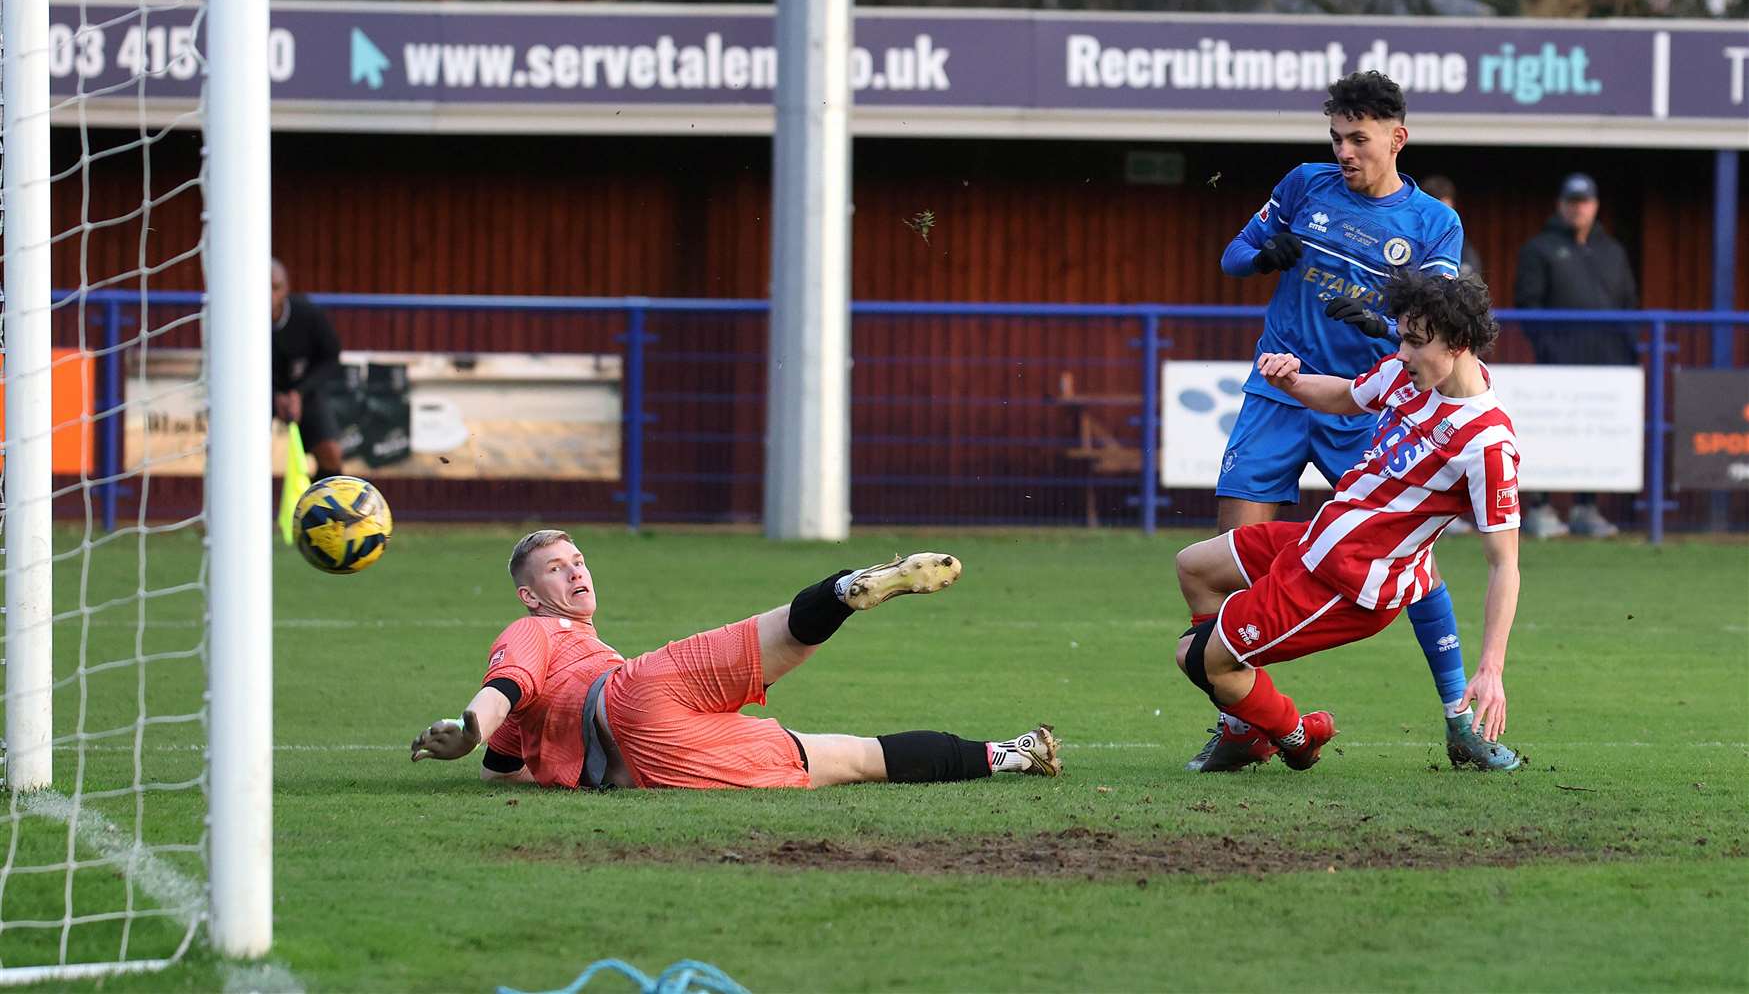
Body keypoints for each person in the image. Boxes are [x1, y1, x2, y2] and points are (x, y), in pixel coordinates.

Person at [1200, 70, 1518, 772]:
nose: (1344, 151)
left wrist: (1373, 321)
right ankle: (1244, 720)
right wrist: (1265, 255)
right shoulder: (1302, 185)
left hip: (1363, 401)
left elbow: (1429, 323)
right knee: (1231, 553)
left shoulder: (1433, 221)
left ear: (1395, 138)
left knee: (1411, 563)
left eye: (1358, 139)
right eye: (1336, 137)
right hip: (1280, 391)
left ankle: (1458, 722)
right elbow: (1231, 257)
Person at [1173, 273, 1521, 772]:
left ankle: (1297, 732)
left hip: (1347, 582)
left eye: (1415, 342)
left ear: (1459, 345)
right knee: (1194, 567)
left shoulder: (1487, 443)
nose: (1401, 352)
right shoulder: (1409, 375)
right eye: (1402, 336)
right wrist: (1290, 381)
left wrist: (1492, 668)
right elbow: (1346, 395)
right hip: (1317, 541)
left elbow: (1504, 564)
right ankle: (1244, 727)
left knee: (1196, 658)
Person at [409, 532, 1061, 789]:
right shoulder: (535, 629)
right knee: (783, 632)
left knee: (855, 759)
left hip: (647, 762)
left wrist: (478, 742)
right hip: (628, 693)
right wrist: (469, 728)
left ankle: (1015, 753)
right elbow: (501, 686)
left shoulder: (557, 656)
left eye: (578, 560)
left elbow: (506, 766)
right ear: (530, 594)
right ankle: (845, 588)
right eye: (556, 568)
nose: (575, 571)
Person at [1513, 173, 1637, 539]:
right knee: (1548, 434)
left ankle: (1588, 507)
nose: (1578, 208)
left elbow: (1629, 303)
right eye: (1572, 201)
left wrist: (1624, 351)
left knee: (1595, 435)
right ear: (1561, 205)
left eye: (1584, 201)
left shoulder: (1612, 251)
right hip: (1557, 367)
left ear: (1595, 205)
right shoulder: (1540, 248)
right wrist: (1550, 348)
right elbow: (1527, 305)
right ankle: (1541, 506)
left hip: (1605, 366)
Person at [271, 258, 346, 477]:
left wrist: (299, 392)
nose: (269, 295)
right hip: (256, 394)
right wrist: (273, 394)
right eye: (262, 287)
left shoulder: (307, 314)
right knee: (242, 450)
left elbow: (331, 356)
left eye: (275, 288)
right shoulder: (238, 320)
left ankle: (326, 504)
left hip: (305, 390)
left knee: (331, 452)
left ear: (286, 289)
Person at [1417, 175, 1485, 283]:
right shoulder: (1408, 243)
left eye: (1449, 211)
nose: (1446, 220)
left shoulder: (1465, 251)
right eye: (1440, 214)